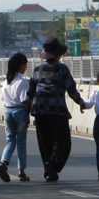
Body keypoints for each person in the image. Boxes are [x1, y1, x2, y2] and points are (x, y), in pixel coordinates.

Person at [27, 38, 85, 182]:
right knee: (63, 142)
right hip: (57, 110)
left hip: (39, 110)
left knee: (45, 142)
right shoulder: (62, 69)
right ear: (58, 54)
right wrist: (81, 102)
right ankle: (52, 165)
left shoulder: (36, 69)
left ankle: (49, 170)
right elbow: (71, 89)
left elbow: (30, 93)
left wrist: (27, 108)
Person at [0, 53, 31, 183]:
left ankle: (3, 163)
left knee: (10, 141)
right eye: (25, 65)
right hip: (19, 112)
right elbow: (24, 100)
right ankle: (21, 172)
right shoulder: (22, 82)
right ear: (21, 66)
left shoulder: (6, 82)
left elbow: (3, 99)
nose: (25, 68)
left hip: (7, 112)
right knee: (21, 141)